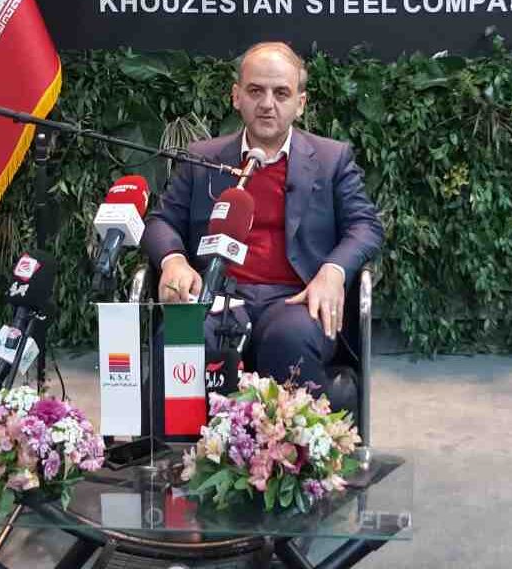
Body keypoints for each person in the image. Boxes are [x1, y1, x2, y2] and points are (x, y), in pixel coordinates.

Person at [141, 41, 384, 395]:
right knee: (183, 336)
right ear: (236, 97)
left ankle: (284, 433)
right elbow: (160, 221)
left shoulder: (332, 159)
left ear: (300, 103)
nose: (267, 104)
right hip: (216, 296)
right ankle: (184, 434)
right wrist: (173, 261)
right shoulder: (202, 158)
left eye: (281, 93)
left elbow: (365, 225)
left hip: (296, 299)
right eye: (256, 91)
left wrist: (333, 272)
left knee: (289, 339)